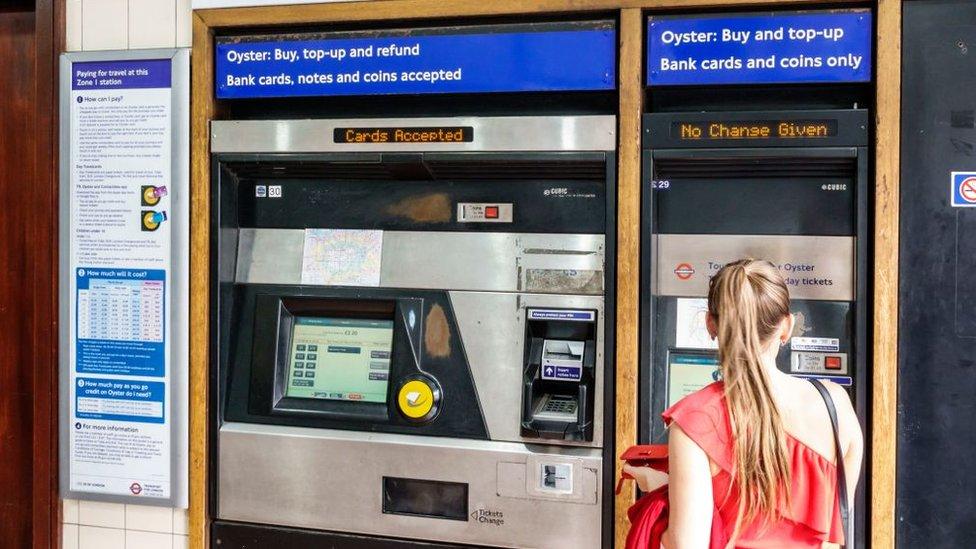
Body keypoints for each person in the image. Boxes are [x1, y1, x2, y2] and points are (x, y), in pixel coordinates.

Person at [624, 259, 862, 548]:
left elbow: (687, 544)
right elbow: (836, 525)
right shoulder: (835, 404)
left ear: (710, 324)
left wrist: (657, 495)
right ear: (786, 326)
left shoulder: (695, 420)